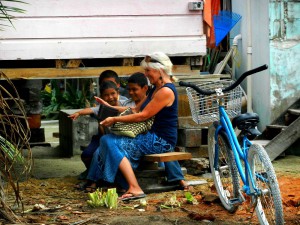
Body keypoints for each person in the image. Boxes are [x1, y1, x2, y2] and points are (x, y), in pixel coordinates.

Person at [87, 52, 188, 200]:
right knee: (107, 140)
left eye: (148, 71)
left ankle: (134, 187)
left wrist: (115, 120)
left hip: (161, 141)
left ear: (159, 70)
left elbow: (143, 116)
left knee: (108, 141)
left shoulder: (166, 91)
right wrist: (110, 107)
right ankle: (126, 184)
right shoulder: (156, 88)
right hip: (152, 136)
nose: (146, 74)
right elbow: (135, 109)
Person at [69, 80, 127, 184]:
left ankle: (95, 181)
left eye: (113, 93)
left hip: (122, 138)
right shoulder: (103, 108)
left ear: (118, 93)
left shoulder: (125, 104)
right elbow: (92, 110)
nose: (110, 97)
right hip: (108, 138)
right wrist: (78, 113)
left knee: (102, 154)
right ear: (101, 96)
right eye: (106, 95)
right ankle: (94, 179)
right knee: (95, 153)